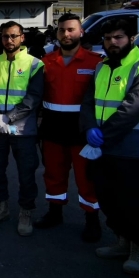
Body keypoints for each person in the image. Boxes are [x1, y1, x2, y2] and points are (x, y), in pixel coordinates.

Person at [35, 14, 103, 242]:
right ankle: (55, 213)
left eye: (71, 29)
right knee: (53, 174)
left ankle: (92, 220)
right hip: (53, 128)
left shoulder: (96, 62)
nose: (66, 34)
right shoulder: (46, 62)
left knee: (86, 178)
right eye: (62, 30)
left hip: (82, 131)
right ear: (57, 33)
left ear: (81, 32)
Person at [80, 19, 139, 275]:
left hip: (131, 148)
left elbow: (132, 108)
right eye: (107, 38)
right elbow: (88, 102)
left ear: (131, 38)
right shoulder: (101, 66)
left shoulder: (138, 66)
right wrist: (88, 127)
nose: (112, 42)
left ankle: (137, 249)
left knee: (132, 200)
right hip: (103, 148)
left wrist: (102, 134)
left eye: (118, 37)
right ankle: (122, 242)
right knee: (109, 198)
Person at [0, 21, 44, 236]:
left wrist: (8, 118)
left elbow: (33, 98)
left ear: (22, 38)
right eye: (5, 36)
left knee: (26, 173)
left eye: (13, 36)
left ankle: (26, 212)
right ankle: (1, 207)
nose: (9, 40)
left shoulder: (35, 64)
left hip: (24, 131)